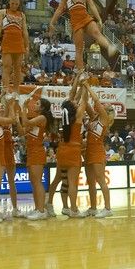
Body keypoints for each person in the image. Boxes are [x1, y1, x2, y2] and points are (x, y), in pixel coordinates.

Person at [49, 0, 119, 72]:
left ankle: (109, 47)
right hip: (75, 21)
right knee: (79, 48)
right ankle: (80, 71)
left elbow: (92, 6)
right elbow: (60, 9)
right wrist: (52, 22)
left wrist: (99, 19)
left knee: (96, 33)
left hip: (86, 17)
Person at [50, 74, 88, 218]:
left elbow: (73, 96)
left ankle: (51, 204)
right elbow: (84, 99)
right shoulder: (77, 116)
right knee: (72, 182)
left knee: (59, 179)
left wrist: (77, 77)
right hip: (73, 151)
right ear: (73, 107)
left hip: (62, 151)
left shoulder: (65, 115)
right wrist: (84, 84)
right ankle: (73, 210)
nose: (75, 102)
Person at [19, 90, 54, 221]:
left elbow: (26, 123)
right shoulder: (37, 118)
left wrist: (23, 108)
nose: (34, 104)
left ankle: (41, 210)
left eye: (37, 103)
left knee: (37, 182)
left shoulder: (42, 117)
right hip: (32, 151)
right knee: (34, 182)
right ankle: (37, 208)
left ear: (43, 107)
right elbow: (23, 130)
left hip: (37, 151)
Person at [83, 83, 115, 218]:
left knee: (101, 180)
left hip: (97, 151)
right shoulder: (95, 116)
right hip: (88, 151)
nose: (105, 104)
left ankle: (108, 208)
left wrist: (87, 85)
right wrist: (83, 87)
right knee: (90, 181)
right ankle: (93, 208)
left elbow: (96, 100)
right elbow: (86, 103)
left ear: (108, 111)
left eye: (108, 106)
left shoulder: (104, 118)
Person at [0, 0, 29, 97]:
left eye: (16, 4)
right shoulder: (3, 12)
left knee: (18, 68)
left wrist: (27, 46)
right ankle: (5, 89)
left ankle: (16, 90)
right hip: (7, 42)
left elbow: (25, 31)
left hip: (19, 42)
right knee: (7, 67)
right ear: (9, 2)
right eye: (12, 3)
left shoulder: (22, 15)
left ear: (19, 4)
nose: (14, 6)